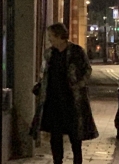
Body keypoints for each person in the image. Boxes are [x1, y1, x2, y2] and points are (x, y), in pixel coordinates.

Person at [30, 23, 98, 164]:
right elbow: (45, 73)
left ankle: (77, 161)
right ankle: (57, 161)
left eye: (51, 36)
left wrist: (78, 85)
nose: (50, 40)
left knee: (75, 136)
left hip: (72, 101)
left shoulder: (76, 51)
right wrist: (41, 85)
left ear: (60, 36)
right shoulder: (49, 54)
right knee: (55, 136)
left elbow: (87, 70)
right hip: (53, 100)